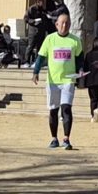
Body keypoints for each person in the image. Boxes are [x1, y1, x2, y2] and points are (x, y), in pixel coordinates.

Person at [37, 9, 80, 150]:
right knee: (53, 110)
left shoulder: (75, 40)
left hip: (68, 80)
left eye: (67, 23)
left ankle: (66, 138)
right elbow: (41, 57)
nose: (64, 26)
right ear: (56, 24)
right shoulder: (50, 39)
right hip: (53, 81)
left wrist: (80, 70)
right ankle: (54, 138)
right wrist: (36, 72)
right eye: (62, 23)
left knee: (66, 108)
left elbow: (80, 58)